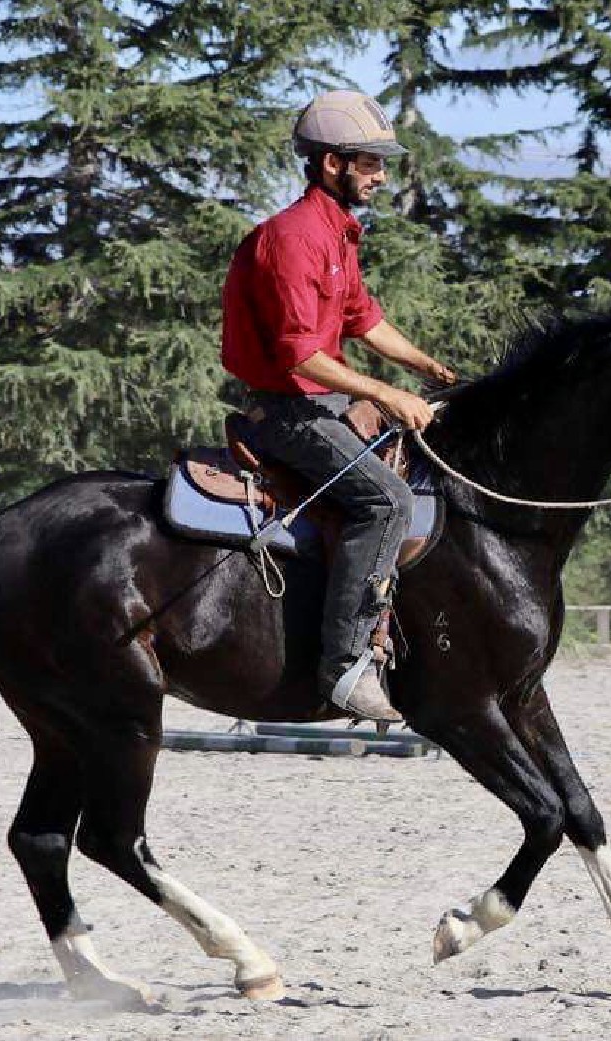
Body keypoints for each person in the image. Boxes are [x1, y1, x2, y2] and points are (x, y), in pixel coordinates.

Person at [221, 90, 456, 722]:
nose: (381, 176)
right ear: (331, 164)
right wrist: (386, 392)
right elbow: (300, 359)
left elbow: (364, 321)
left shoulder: (337, 237)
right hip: (289, 412)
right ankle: (345, 667)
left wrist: (427, 367)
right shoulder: (293, 239)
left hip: (321, 403)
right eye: (371, 163)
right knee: (387, 501)